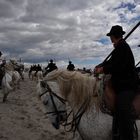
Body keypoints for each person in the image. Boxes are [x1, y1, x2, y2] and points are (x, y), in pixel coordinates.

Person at [94, 25, 139, 140]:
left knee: (122, 106)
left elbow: (118, 66)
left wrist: (103, 69)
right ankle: (116, 131)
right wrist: (101, 65)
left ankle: (128, 136)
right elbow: (110, 62)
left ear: (113, 36)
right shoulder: (118, 48)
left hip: (127, 85)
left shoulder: (123, 47)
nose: (110, 38)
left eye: (111, 36)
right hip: (120, 84)